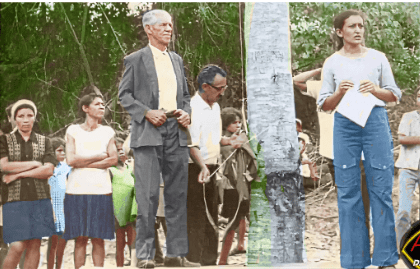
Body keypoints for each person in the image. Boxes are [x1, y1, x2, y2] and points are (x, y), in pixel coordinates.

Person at [317, 10, 401, 269]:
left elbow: (394, 94)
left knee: (381, 188)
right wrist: (339, 93)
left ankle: (386, 258)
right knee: (348, 191)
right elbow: (324, 104)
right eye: (352, 26)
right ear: (340, 32)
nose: (358, 30)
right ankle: (355, 260)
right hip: (345, 124)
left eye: (361, 26)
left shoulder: (378, 58)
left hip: (374, 120)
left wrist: (376, 90)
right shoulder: (332, 62)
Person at [118, 9, 197, 268]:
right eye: (163, 25)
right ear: (149, 29)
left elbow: (185, 96)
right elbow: (125, 96)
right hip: (149, 132)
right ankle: (144, 256)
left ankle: (176, 255)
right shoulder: (135, 59)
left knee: (177, 195)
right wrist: (146, 113)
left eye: (170, 25)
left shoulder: (176, 59)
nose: (168, 29)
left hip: (176, 130)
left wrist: (187, 112)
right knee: (148, 197)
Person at [187, 65, 244, 265]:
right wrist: (202, 166)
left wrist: (229, 141)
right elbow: (191, 143)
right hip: (195, 167)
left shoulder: (216, 107)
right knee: (197, 215)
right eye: (219, 88)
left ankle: (210, 259)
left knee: (212, 213)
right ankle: (194, 259)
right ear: (205, 86)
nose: (222, 92)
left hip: (212, 167)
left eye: (224, 88)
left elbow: (214, 138)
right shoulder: (193, 107)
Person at [0, 99, 57, 269]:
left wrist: (17, 175)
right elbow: (4, 166)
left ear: (34, 118)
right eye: (21, 116)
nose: (25, 120)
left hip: (39, 198)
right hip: (14, 200)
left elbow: (48, 171)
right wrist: (34, 163)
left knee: (34, 244)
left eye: (29, 115)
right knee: (17, 245)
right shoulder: (5, 141)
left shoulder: (45, 141)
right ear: (14, 119)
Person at [64, 93, 118, 269]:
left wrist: (85, 163)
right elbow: (71, 160)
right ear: (85, 108)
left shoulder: (108, 131)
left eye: (103, 104)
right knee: (80, 238)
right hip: (76, 190)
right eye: (97, 104)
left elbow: (113, 159)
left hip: (101, 190)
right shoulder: (73, 130)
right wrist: (97, 157)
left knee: (98, 237)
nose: (102, 107)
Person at [217, 107, 259, 265]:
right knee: (232, 222)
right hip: (230, 188)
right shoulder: (220, 141)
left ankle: (256, 258)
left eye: (240, 121)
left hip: (245, 186)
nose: (238, 124)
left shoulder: (243, 138)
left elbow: (253, 160)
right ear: (225, 124)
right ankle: (222, 259)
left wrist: (249, 176)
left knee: (251, 219)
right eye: (234, 122)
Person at [395, 87, 420, 251]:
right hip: (407, 167)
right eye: (419, 96)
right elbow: (402, 139)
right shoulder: (408, 117)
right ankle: (400, 248)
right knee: (403, 210)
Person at [109, 137, 137, 267]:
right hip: (117, 212)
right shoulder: (110, 170)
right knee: (120, 241)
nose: (121, 152)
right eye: (118, 150)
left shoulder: (130, 168)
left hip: (131, 209)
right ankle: (119, 265)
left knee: (133, 239)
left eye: (122, 150)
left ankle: (133, 263)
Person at [46, 137, 71, 269]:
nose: (63, 153)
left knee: (62, 240)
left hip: (64, 208)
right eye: (59, 150)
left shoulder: (68, 168)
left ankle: (58, 266)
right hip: (50, 209)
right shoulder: (47, 169)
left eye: (64, 150)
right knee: (52, 242)